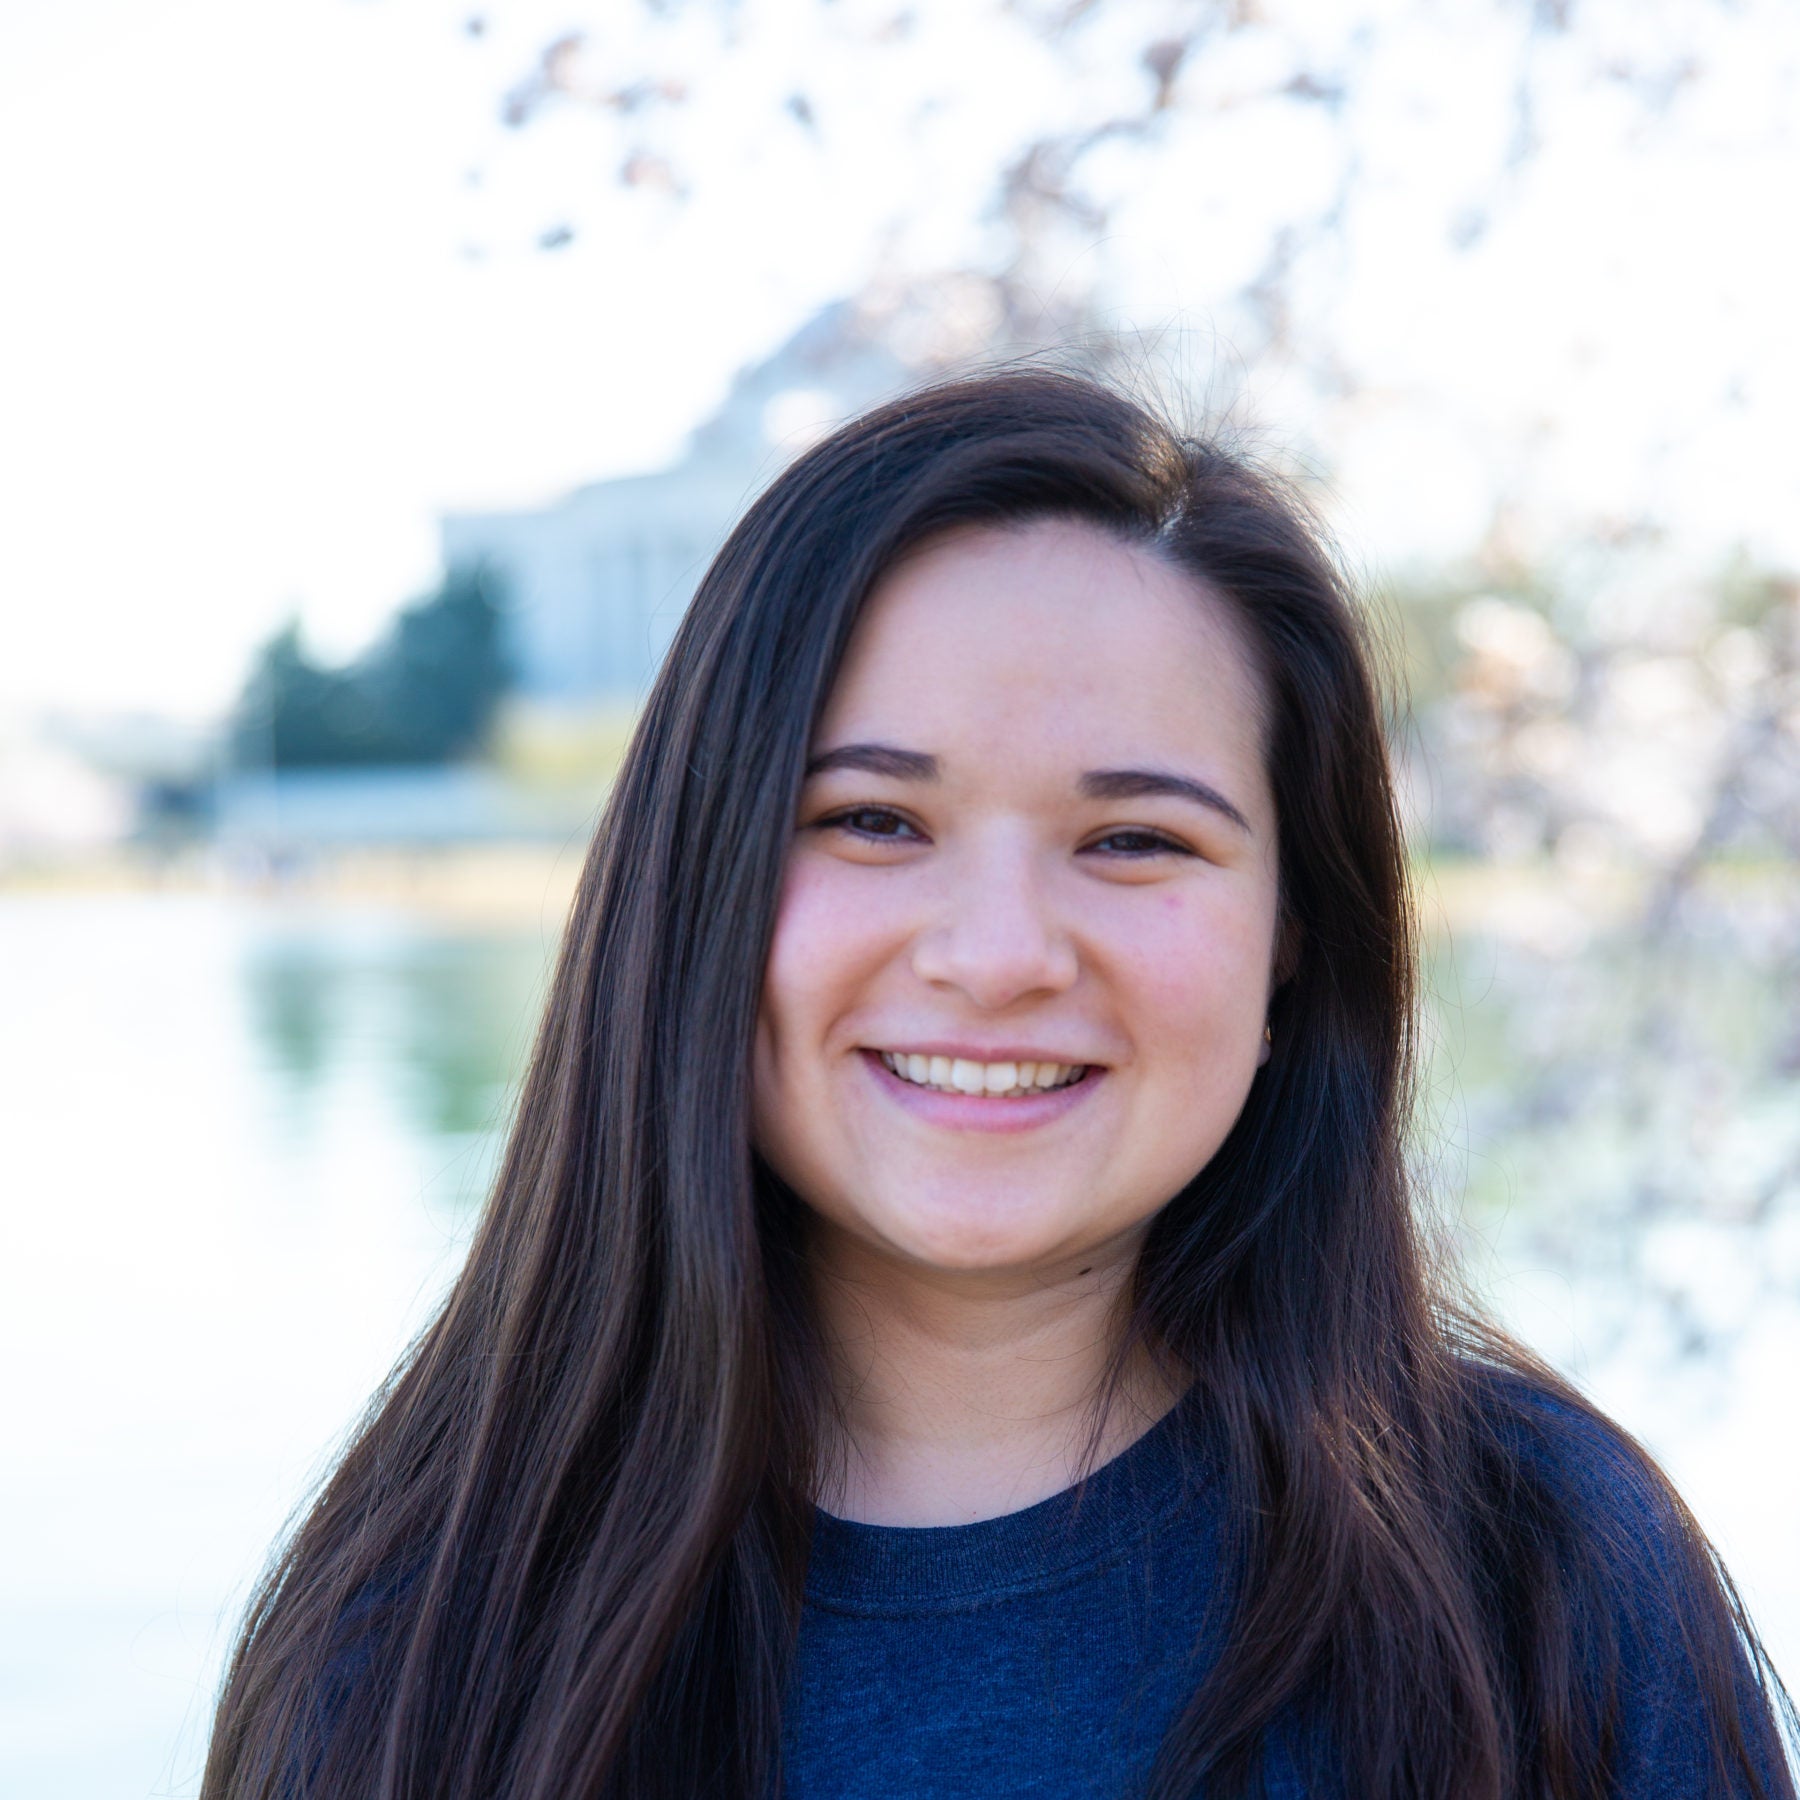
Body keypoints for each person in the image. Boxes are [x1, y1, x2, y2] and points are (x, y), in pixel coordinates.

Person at [202, 370, 1795, 1800]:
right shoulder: (424, 1634)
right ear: (697, 886)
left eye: (1135, 842)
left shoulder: (1538, 1576)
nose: (998, 955)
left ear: (1292, 941)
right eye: (874, 822)